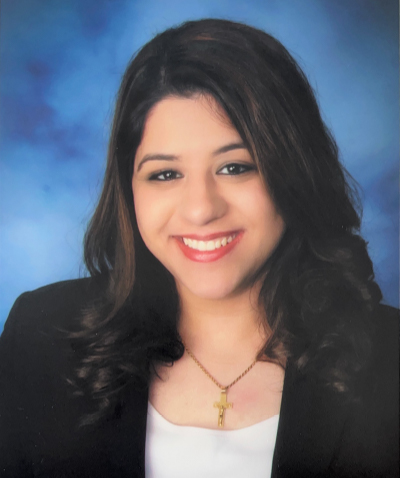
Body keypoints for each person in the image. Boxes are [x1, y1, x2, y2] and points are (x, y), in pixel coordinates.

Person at [0, 18, 398, 478]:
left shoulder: (390, 359)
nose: (200, 210)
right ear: (129, 190)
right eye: (165, 174)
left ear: (293, 170)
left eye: (235, 167)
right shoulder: (40, 336)